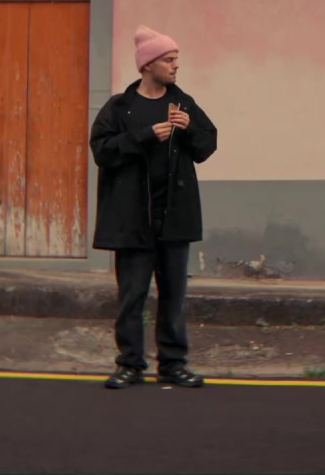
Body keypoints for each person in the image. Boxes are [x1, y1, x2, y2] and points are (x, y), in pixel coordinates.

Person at [89, 25, 218, 389]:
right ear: (147, 65)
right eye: (169, 60)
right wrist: (144, 137)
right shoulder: (120, 107)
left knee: (174, 296)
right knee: (132, 297)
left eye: (176, 59)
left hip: (174, 218)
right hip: (132, 219)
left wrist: (189, 130)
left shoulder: (184, 103)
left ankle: (173, 365)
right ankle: (129, 364)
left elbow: (207, 146)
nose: (176, 66)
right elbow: (102, 150)